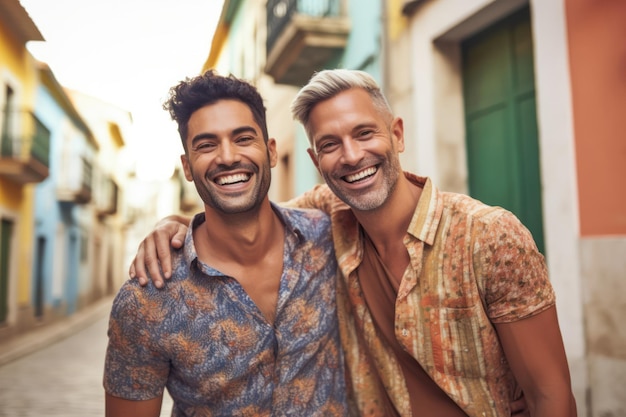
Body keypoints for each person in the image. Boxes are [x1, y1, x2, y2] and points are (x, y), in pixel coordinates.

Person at [130, 69, 577, 416]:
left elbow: (549, 395)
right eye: (330, 144)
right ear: (315, 161)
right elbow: (244, 209)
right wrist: (179, 225)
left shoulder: (489, 236)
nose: (351, 155)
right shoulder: (325, 221)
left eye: (365, 133)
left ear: (396, 134)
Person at [104, 70, 351, 416]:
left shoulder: (330, 236)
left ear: (271, 150)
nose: (227, 156)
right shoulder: (147, 299)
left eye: (243, 138)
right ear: (187, 167)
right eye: (206, 145)